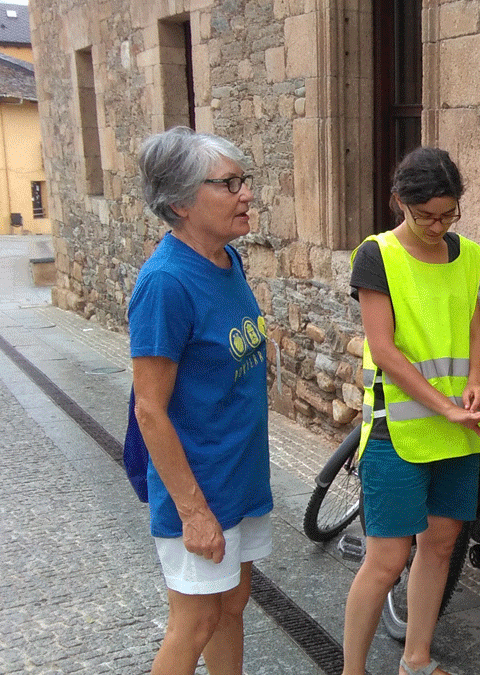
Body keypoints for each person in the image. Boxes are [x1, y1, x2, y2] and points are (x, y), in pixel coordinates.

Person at [340, 147, 480, 675]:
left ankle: (417, 659)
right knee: (387, 559)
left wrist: (476, 383)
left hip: (457, 429)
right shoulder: (376, 255)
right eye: (425, 214)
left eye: (448, 214)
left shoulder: (468, 256)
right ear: (399, 203)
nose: (437, 225)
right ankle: (353, 670)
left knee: (440, 545)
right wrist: (443, 407)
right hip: (397, 430)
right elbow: (383, 348)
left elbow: (475, 330)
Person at [129, 127, 272, 675]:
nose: (247, 193)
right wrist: (193, 512)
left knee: (232, 605)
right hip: (199, 488)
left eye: (244, 180)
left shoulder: (226, 261)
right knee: (194, 624)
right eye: (229, 184)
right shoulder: (166, 283)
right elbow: (149, 409)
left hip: (238, 477)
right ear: (182, 203)